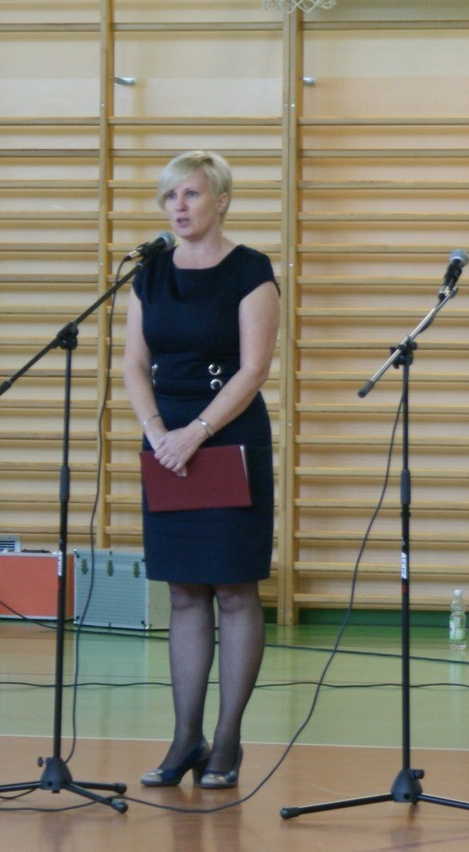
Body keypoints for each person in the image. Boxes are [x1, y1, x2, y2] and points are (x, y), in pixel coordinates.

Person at [123, 151, 280, 788]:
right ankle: (186, 737)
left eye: (189, 194)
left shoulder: (251, 270)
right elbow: (135, 364)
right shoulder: (150, 271)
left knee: (235, 590)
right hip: (166, 442)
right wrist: (159, 432)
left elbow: (254, 368)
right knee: (184, 591)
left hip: (226, 435)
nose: (178, 207)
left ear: (221, 201)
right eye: (169, 197)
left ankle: (228, 741)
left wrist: (196, 432)